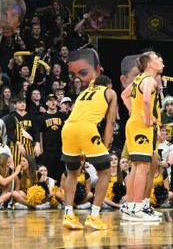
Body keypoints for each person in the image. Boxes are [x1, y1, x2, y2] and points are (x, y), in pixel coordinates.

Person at [60, 70, 118, 230]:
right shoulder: (110, 92)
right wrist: (106, 145)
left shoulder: (84, 93)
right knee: (105, 171)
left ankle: (68, 214)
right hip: (87, 128)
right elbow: (111, 121)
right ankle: (94, 216)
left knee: (72, 173)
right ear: (109, 85)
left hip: (68, 128)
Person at [121, 51, 163, 222]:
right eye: (157, 59)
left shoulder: (138, 78)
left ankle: (133, 206)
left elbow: (124, 95)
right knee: (142, 168)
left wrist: (133, 112)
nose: (161, 62)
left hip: (134, 123)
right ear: (149, 64)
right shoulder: (149, 80)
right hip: (141, 126)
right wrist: (146, 119)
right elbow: (146, 100)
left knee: (138, 167)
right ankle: (137, 207)